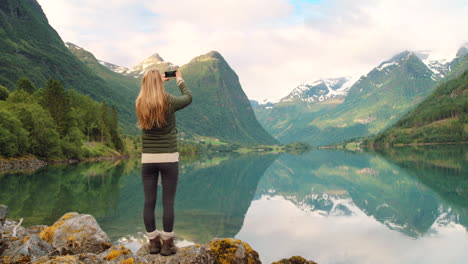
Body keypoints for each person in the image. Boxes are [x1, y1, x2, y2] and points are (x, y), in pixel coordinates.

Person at [135, 68, 192, 255]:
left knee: (148, 202)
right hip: (168, 157)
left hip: (148, 159)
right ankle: (167, 245)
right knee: (168, 202)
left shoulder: (140, 103)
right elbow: (188, 97)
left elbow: (151, 94)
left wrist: (156, 82)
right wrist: (179, 79)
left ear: (144, 84)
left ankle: (153, 243)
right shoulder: (168, 100)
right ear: (160, 82)